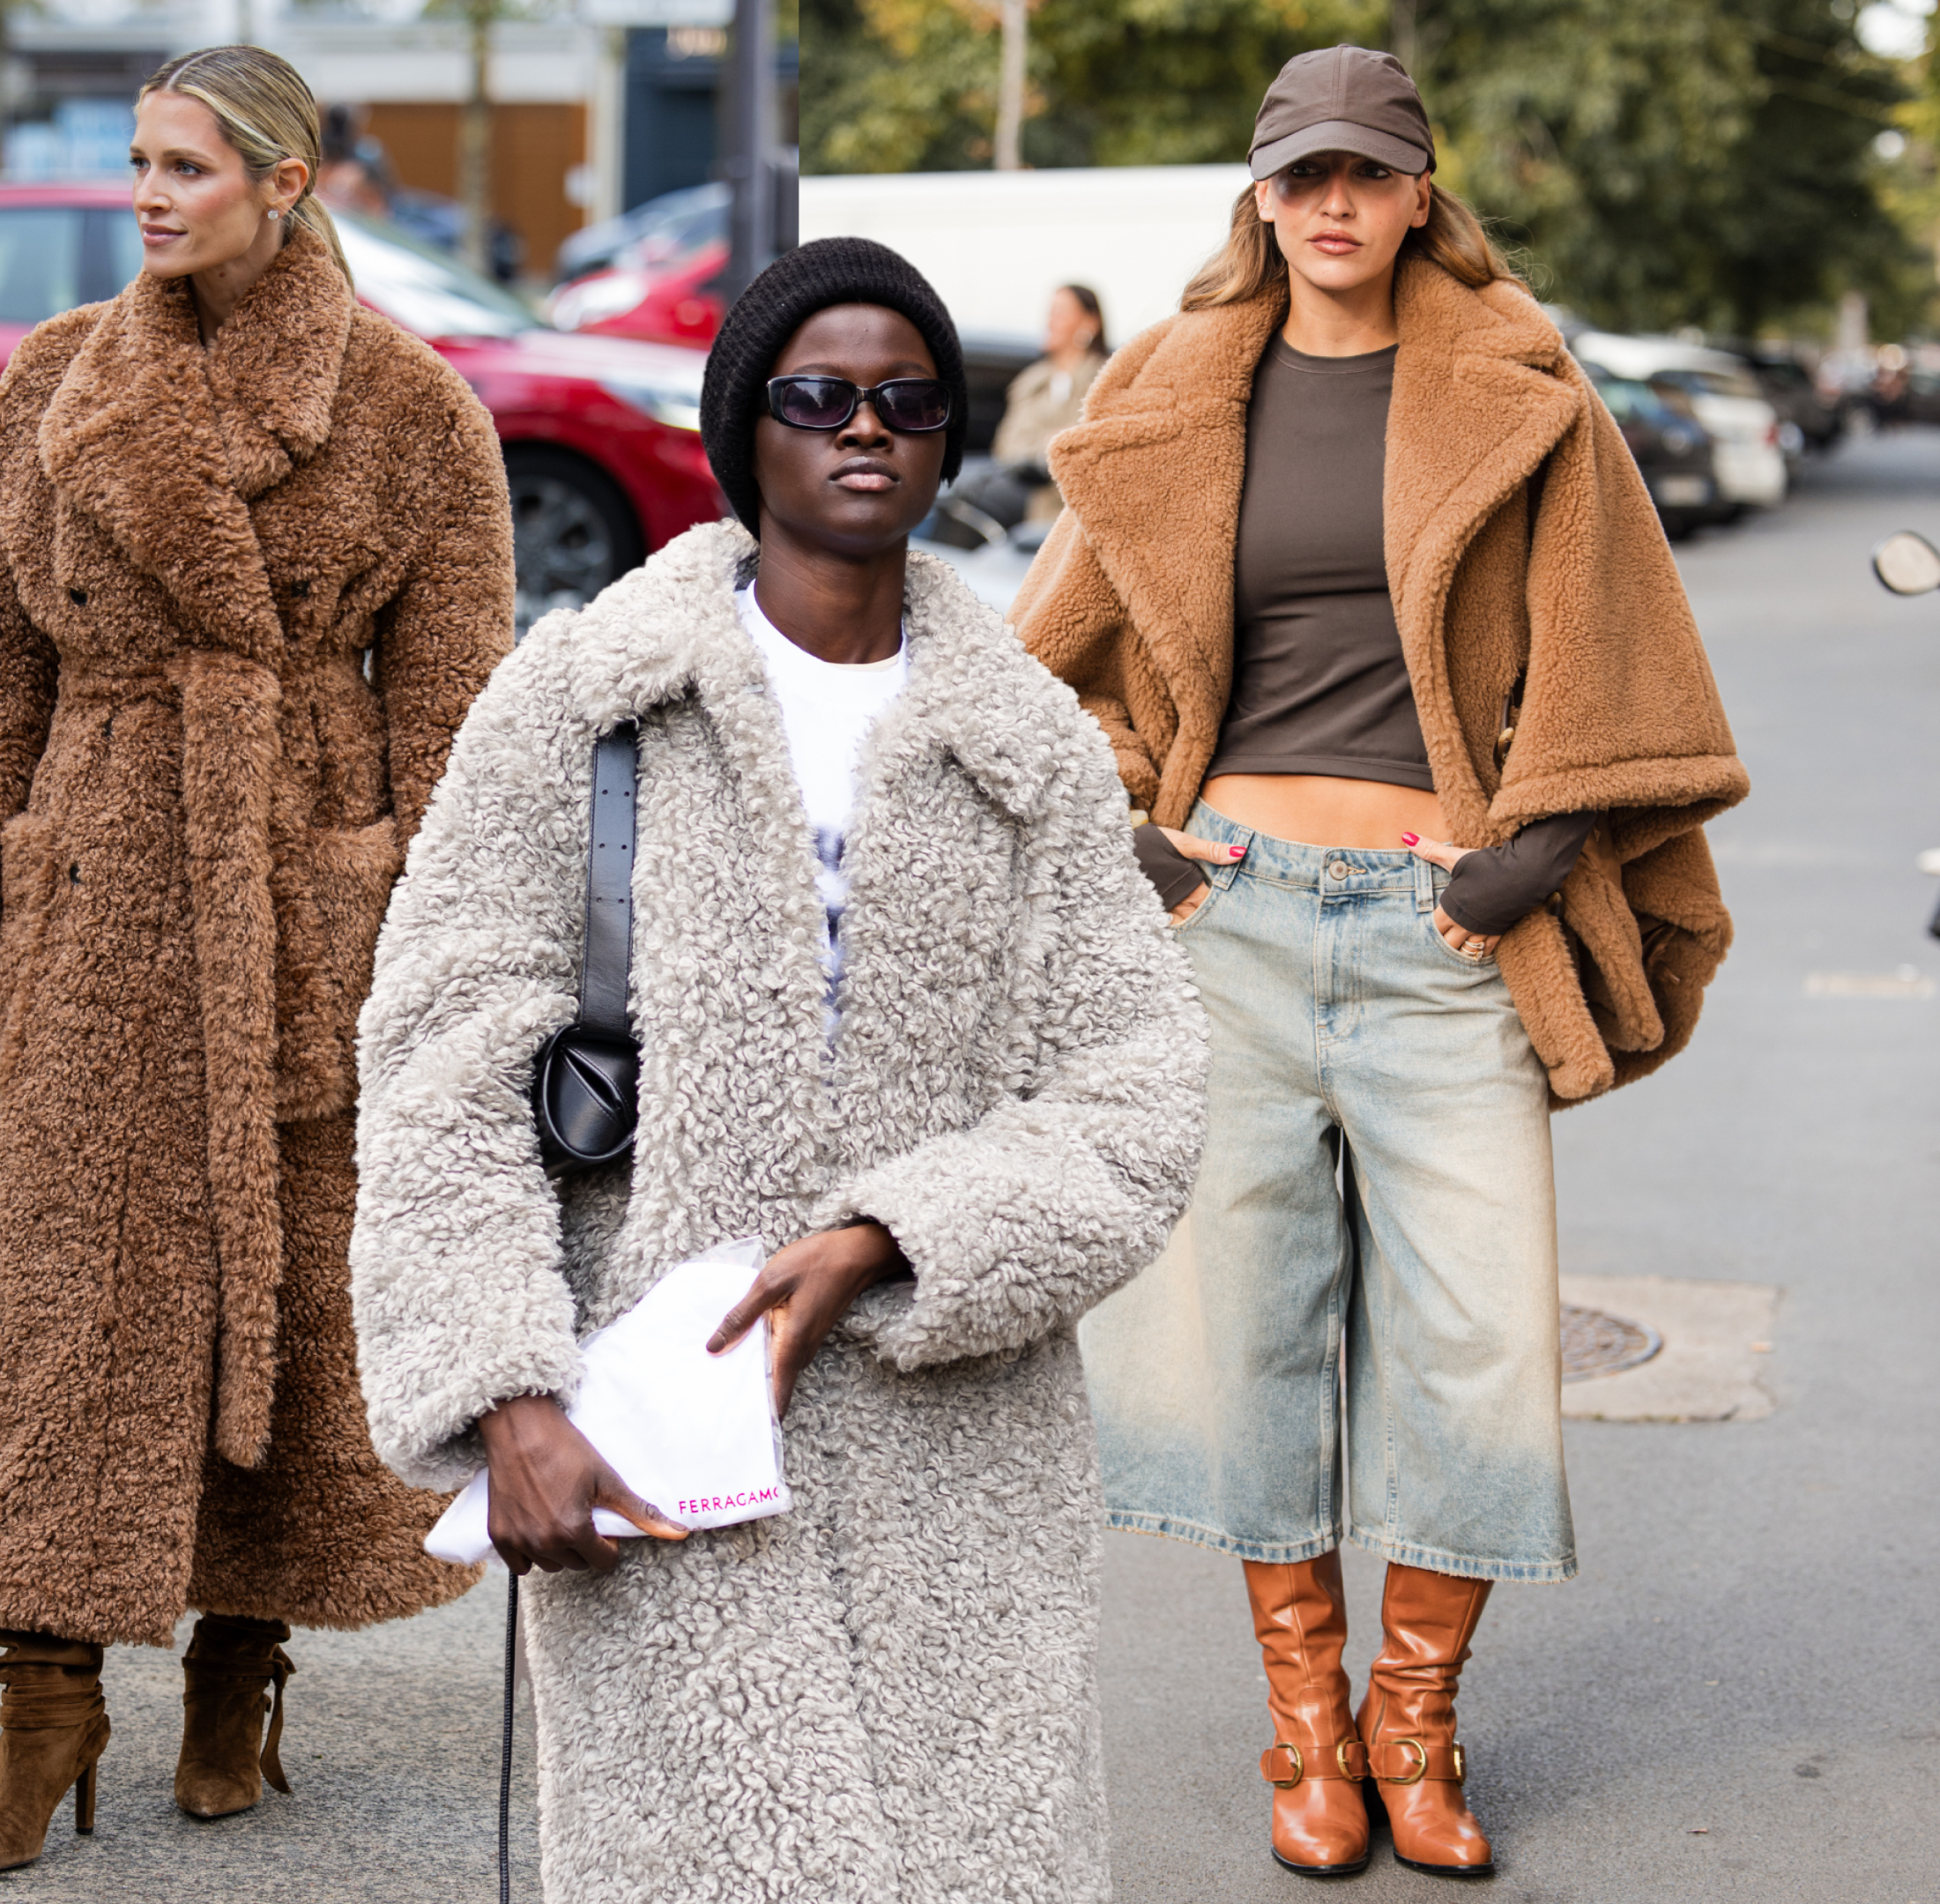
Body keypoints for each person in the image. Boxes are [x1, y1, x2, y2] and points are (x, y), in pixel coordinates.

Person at [351, 236, 1206, 1904]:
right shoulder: (585, 701)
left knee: (974, 1861)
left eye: (908, 399)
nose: (864, 426)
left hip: (959, 1459)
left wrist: (896, 1237)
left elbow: (1137, 1088)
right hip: (648, 1427)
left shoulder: (1024, 737)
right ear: (746, 429)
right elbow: (441, 1068)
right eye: (818, 396)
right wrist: (506, 1395)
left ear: (948, 438)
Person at [1014, 46, 1749, 1881]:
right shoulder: (1172, 384)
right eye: (1301, 175)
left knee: (1480, 1340)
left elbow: (1622, 663)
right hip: (1228, 927)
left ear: (1422, 192)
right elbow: (1040, 669)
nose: (1331, 203)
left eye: (1366, 172)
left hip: (1445, 935)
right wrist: (1139, 846)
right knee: (1242, 1335)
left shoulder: (1526, 385)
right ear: (1260, 199)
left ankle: (1416, 1723)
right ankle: (1307, 1727)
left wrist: (1523, 869)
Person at [0, 44, 515, 1876]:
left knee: (292, 1305)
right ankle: (44, 1702)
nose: (150, 197)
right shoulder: (51, 387)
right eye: (141, 163)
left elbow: (457, 731)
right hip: (94, 895)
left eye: (186, 166)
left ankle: (238, 1678)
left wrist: (434, 968)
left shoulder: (413, 410)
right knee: (64, 1318)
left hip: (297, 902)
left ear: (285, 180)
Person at [949, 281, 1106, 532]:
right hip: (1022, 482)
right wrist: (1052, 443)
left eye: (1059, 313)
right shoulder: (1031, 381)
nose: (1050, 322)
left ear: (1089, 323)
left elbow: (1092, 444)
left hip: (1067, 497)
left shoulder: (1105, 380)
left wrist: (1055, 443)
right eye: (1049, 313)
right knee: (952, 489)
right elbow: (1007, 446)